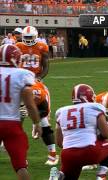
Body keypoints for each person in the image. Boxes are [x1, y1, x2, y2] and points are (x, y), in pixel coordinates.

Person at [49, 84, 108, 180]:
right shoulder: (95, 108)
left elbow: (60, 143)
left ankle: (58, 176)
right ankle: (101, 176)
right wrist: (95, 137)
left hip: (67, 155)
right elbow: (106, 134)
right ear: (88, 96)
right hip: (89, 151)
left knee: (69, 177)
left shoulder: (61, 112)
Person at [0, 44, 42, 180]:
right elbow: (29, 104)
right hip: (12, 124)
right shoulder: (22, 74)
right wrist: (36, 123)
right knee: (20, 166)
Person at [30, 81, 58, 165]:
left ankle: (53, 155)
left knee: (44, 124)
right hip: (11, 104)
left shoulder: (36, 91)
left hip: (38, 98)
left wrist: (36, 122)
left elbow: (45, 111)